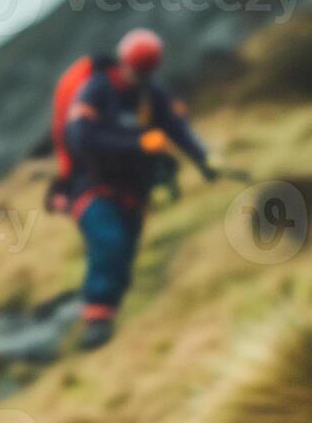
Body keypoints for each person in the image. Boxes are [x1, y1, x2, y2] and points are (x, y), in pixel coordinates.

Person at [62, 29, 216, 350]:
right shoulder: (97, 89)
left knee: (125, 252)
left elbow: (178, 128)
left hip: (134, 191)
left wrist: (205, 160)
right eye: (135, 70)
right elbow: (81, 137)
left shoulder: (151, 94)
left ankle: (105, 312)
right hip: (94, 186)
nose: (138, 77)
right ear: (123, 62)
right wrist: (138, 143)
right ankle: (96, 321)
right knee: (110, 242)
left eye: (145, 72)